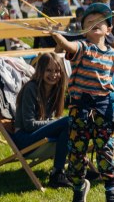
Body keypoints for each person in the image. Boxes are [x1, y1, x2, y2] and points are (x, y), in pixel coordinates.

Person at [48, 3, 114, 202]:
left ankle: (111, 191)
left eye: (99, 22)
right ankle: (78, 186)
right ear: (83, 30)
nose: (93, 24)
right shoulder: (82, 47)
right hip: (79, 109)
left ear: (108, 29)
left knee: (105, 149)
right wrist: (56, 34)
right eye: (88, 23)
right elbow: (68, 46)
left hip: (103, 108)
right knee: (76, 153)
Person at [14, 53, 73, 189]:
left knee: (66, 128)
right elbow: (29, 125)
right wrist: (55, 122)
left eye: (57, 71)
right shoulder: (31, 89)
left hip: (38, 134)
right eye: (49, 70)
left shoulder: (55, 90)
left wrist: (56, 122)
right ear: (40, 71)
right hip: (24, 139)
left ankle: (59, 173)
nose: (54, 75)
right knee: (68, 121)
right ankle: (72, 167)